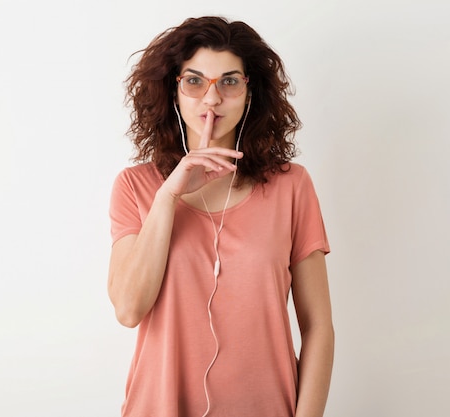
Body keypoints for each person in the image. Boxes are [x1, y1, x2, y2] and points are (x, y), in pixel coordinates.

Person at [108, 16, 334, 417]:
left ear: (250, 93)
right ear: (173, 91)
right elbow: (128, 309)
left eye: (229, 82)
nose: (211, 100)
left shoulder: (291, 186)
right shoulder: (136, 187)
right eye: (194, 81)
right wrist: (168, 196)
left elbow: (317, 327)